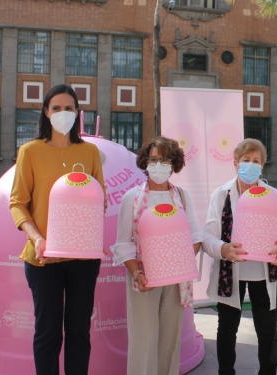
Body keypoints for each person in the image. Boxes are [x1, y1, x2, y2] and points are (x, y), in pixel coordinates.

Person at [10, 84, 106, 375]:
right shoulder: (30, 151)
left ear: (77, 113)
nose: (63, 113)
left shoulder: (89, 152)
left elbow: (98, 199)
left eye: (69, 108)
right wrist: (38, 238)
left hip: (83, 259)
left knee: (79, 332)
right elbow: (18, 204)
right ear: (46, 112)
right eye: (56, 108)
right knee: (48, 334)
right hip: (43, 258)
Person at [111, 136, 202, 375]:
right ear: (145, 162)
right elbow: (123, 243)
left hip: (175, 281)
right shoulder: (132, 198)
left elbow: (194, 235)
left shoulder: (181, 197)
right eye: (154, 159)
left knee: (170, 339)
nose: (159, 165)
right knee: (144, 340)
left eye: (164, 160)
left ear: (174, 164)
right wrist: (137, 273)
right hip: (144, 280)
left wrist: (178, 263)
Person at [202, 139, 277, 375]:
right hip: (230, 273)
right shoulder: (221, 195)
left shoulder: (274, 196)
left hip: (264, 272)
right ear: (235, 163)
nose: (250, 166)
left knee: (266, 331)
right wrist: (223, 250)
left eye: (256, 161)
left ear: (263, 165)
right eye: (245, 161)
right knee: (227, 330)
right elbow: (208, 238)